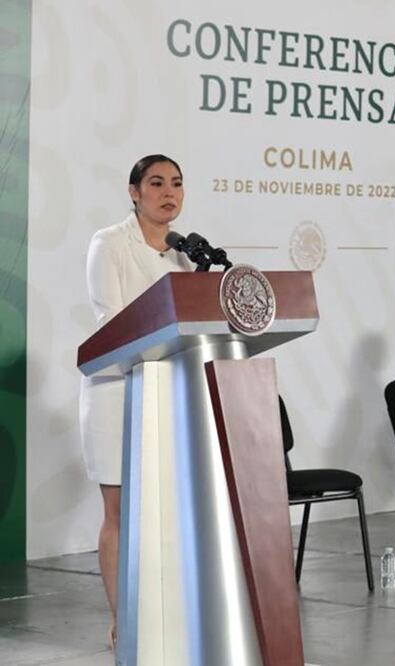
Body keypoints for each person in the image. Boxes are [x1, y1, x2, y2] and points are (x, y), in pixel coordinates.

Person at [79, 154, 194, 649]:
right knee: (121, 510)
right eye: (156, 183)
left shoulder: (185, 255)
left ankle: (164, 610)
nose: (168, 192)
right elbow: (113, 322)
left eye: (176, 183)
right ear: (134, 191)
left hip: (170, 391)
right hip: (117, 391)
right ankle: (123, 618)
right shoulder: (110, 243)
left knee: (165, 510)